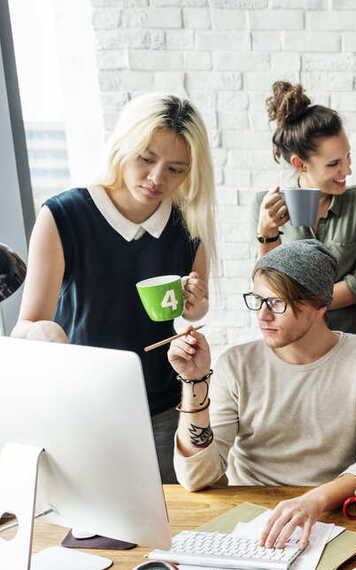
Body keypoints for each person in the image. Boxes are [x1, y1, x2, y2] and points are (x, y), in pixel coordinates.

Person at [13, 93, 216, 483]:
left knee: (170, 526)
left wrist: (196, 305)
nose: (157, 178)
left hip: (160, 407)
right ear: (123, 145)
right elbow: (26, 325)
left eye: (175, 169)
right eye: (146, 158)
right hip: (83, 410)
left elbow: (192, 311)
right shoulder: (65, 215)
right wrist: (43, 333)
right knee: (89, 531)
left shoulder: (186, 225)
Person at [169, 239, 356, 549]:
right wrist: (193, 381)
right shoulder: (236, 364)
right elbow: (196, 478)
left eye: (276, 303)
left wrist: (314, 501)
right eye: (257, 300)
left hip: (332, 514)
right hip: (252, 523)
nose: (262, 316)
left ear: (319, 305)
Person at [252, 81, 356, 335]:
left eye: (348, 158)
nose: (347, 170)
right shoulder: (267, 206)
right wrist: (267, 233)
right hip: (292, 344)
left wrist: (298, 301)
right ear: (300, 164)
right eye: (334, 164)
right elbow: (269, 287)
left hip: (347, 342)